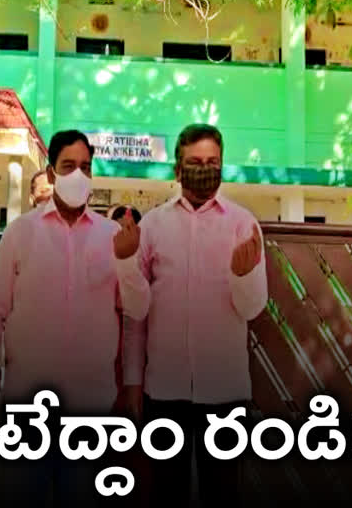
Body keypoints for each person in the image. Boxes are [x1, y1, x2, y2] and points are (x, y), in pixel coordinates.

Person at [112, 123, 268, 507]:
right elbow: (136, 313)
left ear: (222, 164)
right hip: (164, 390)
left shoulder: (244, 225)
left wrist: (243, 276)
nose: (204, 168)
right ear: (178, 169)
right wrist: (133, 380)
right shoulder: (153, 225)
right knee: (165, 495)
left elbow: (253, 308)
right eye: (195, 162)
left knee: (223, 496)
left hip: (226, 391)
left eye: (212, 161)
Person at [0, 129, 122, 506]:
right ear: (51, 173)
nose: (78, 175)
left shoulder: (113, 236)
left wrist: (129, 387)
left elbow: (132, 315)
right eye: (68, 166)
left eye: (86, 167)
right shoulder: (21, 233)